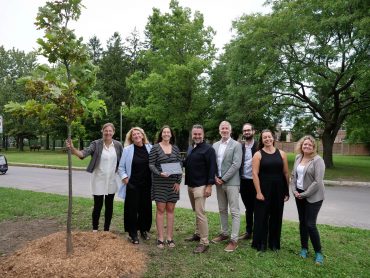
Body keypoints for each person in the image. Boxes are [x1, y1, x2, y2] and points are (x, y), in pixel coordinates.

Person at [66, 123, 123, 232]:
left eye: (110, 131)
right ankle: (95, 230)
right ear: (102, 131)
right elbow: (83, 153)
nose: (108, 133)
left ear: (113, 132)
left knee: (109, 206)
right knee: (98, 205)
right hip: (98, 179)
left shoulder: (118, 145)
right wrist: (73, 149)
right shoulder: (96, 144)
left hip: (112, 180)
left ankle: (106, 230)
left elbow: (124, 160)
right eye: (106, 130)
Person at [251, 129, 289, 252]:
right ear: (262, 140)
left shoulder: (282, 154)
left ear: (273, 138)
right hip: (263, 190)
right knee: (261, 217)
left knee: (276, 217)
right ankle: (261, 244)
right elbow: (255, 174)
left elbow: (286, 173)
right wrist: (258, 192)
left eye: (269, 137)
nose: (267, 139)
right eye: (264, 138)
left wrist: (286, 191)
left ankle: (274, 243)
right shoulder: (258, 154)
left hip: (278, 189)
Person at [290, 135, 325, 265]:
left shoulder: (318, 160)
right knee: (302, 222)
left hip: (313, 196)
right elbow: (293, 176)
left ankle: (318, 253)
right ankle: (304, 248)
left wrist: (304, 194)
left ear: (314, 147)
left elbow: (317, 181)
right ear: (301, 145)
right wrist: (294, 191)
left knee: (310, 224)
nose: (307, 146)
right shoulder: (298, 157)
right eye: (305, 144)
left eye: (309, 145)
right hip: (299, 194)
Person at [184, 124, 217, 254]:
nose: (197, 136)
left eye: (199, 134)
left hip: (201, 186)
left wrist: (209, 186)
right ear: (192, 135)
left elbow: (212, 168)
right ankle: (197, 234)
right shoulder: (191, 147)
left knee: (200, 213)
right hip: (190, 185)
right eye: (195, 134)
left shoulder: (209, 149)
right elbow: (186, 163)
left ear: (203, 135)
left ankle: (204, 242)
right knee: (196, 211)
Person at [211, 121, 242, 252]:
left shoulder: (236, 145)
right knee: (222, 209)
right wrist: (215, 177)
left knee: (234, 211)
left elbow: (236, 164)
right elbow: (212, 163)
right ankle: (224, 233)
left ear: (230, 130)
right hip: (218, 182)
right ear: (219, 131)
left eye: (226, 128)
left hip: (232, 182)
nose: (224, 130)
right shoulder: (215, 145)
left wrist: (223, 178)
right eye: (222, 128)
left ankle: (234, 240)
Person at [149, 125, 182, 249]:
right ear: (161, 134)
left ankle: (169, 237)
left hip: (173, 183)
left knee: (171, 210)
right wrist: (159, 173)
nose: (166, 134)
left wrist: (178, 182)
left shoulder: (175, 149)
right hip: (160, 183)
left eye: (168, 132)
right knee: (160, 210)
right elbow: (151, 164)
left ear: (171, 134)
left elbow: (180, 165)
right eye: (164, 132)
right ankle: (160, 238)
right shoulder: (155, 148)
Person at [118, 127, 152, 244]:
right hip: (133, 184)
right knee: (131, 210)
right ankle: (132, 233)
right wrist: (126, 179)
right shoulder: (127, 150)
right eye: (134, 135)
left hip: (147, 184)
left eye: (138, 134)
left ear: (142, 135)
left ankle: (143, 230)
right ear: (131, 138)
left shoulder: (150, 148)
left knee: (145, 208)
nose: (136, 136)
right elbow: (121, 167)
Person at [239, 123, 258, 240]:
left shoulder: (258, 146)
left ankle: (259, 231)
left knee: (258, 208)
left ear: (253, 131)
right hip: (244, 181)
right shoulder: (240, 147)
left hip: (256, 182)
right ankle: (248, 231)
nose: (246, 132)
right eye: (244, 131)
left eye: (248, 130)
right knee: (248, 208)